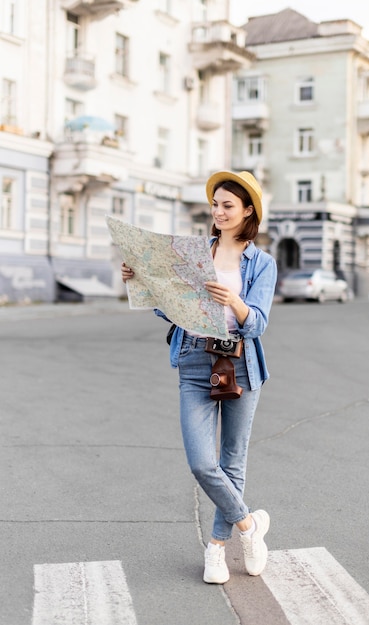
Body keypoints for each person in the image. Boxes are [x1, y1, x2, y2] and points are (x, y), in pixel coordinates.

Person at [121, 171, 277, 584]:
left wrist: (236, 303)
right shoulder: (194, 253)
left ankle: (217, 548)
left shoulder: (261, 263)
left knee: (232, 460)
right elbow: (171, 306)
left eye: (228, 205)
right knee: (202, 463)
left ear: (248, 211)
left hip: (241, 363)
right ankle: (249, 527)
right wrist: (142, 282)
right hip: (194, 359)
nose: (219, 212)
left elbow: (258, 323)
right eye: (216, 204)